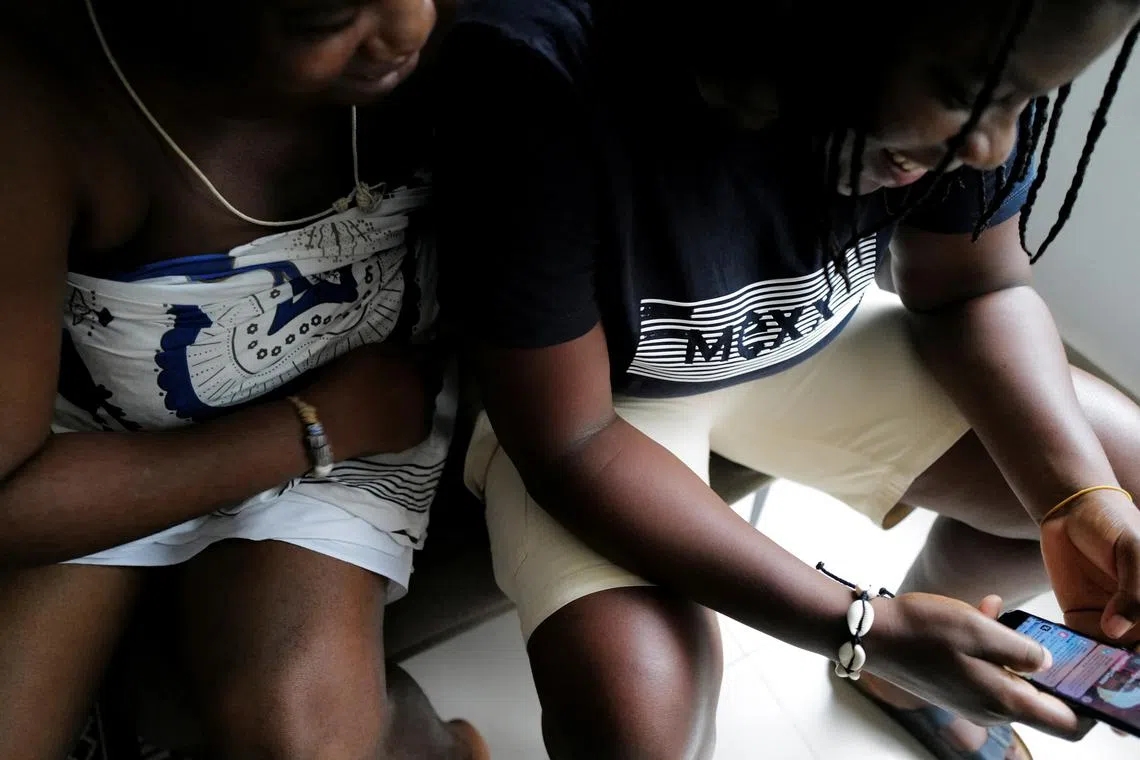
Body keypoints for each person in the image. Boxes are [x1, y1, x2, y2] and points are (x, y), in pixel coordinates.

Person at [435, 0, 1140, 757]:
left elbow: (976, 289)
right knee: (638, 731)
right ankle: (905, 652)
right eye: (969, 96)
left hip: (800, 343)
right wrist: (858, 626)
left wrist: (1078, 499)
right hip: (597, 404)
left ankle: (918, 664)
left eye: (1025, 101)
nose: (994, 144)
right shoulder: (539, 73)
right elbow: (570, 442)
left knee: (1119, 483)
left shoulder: (993, 47)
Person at [0, 1, 488, 758]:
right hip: (92, 441)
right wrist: (318, 422)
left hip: (361, 435)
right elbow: (9, 497)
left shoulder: (456, 34)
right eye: (327, 18)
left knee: (301, 740)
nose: (408, 29)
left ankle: (433, 746)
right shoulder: (40, 96)